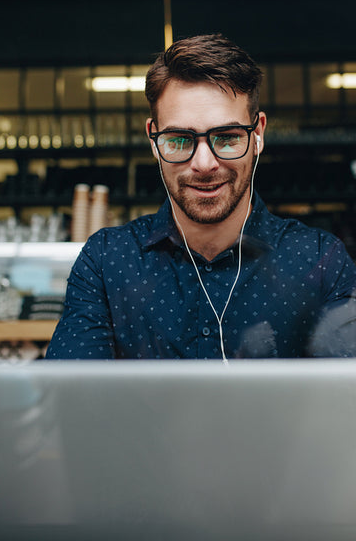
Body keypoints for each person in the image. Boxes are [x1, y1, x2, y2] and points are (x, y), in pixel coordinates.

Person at [46, 34, 356, 360]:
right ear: (154, 140)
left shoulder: (320, 262)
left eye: (226, 137)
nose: (204, 164)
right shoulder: (106, 261)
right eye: (180, 140)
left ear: (258, 134)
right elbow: (73, 404)